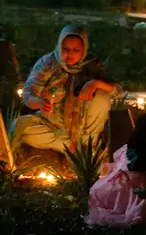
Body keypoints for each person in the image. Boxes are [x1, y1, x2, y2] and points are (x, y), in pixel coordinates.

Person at [13, 24, 120, 154]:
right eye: (65, 49)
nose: (69, 54)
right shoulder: (48, 63)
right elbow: (28, 94)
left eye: (76, 50)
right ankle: (69, 148)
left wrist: (96, 83)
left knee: (102, 97)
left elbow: (117, 90)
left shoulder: (91, 65)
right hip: (52, 126)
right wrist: (40, 102)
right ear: (59, 46)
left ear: (84, 49)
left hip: (83, 125)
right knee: (19, 126)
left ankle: (88, 147)